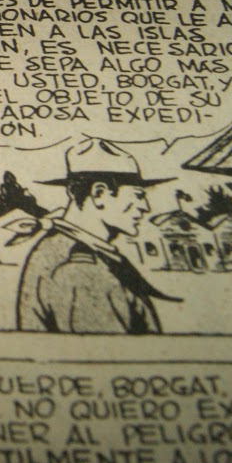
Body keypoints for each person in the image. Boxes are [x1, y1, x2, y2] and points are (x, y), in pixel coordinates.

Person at [17, 138, 177, 333]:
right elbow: (107, 349)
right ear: (99, 194)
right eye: (138, 195)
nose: (145, 207)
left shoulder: (61, 246)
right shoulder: (82, 266)